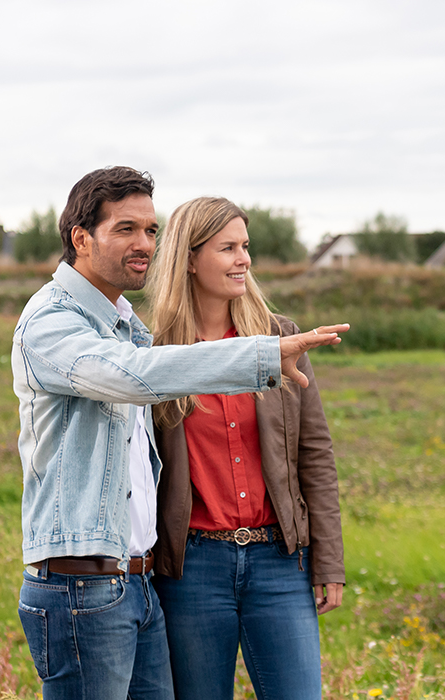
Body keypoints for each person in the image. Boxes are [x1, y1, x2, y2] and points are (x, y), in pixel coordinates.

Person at [11, 167, 348, 700]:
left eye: (150, 230)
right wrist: (259, 356)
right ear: (81, 237)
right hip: (102, 579)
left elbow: (314, 454)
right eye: (126, 229)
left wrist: (326, 555)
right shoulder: (61, 325)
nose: (143, 242)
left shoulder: (128, 327)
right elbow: (131, 376)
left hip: (144, 580)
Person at [148, 196, 346, 700]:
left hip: (279, 561)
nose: (244, 259)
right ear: (189, 258)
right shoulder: (155, 353)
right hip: (191, 568)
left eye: (246, 247)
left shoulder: (282, 339)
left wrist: (328, 560)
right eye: (228, 248)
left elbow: (315, 456)